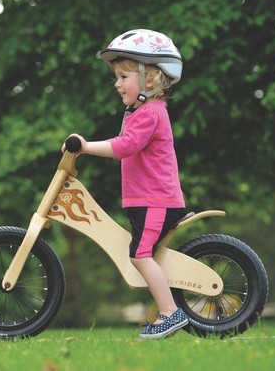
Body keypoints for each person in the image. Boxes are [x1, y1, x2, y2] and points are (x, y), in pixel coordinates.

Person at [62, 29, 189, 339]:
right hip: (146, 200)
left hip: (156, 201)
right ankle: (170, 308)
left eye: (123, 76)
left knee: (139, 255)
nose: (116, 83)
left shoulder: (150, 114)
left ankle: (171, 313)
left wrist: (85, 146)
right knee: (141, 253)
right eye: (116, 77)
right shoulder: (141, 112)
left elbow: (124, 147)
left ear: (149, 79)